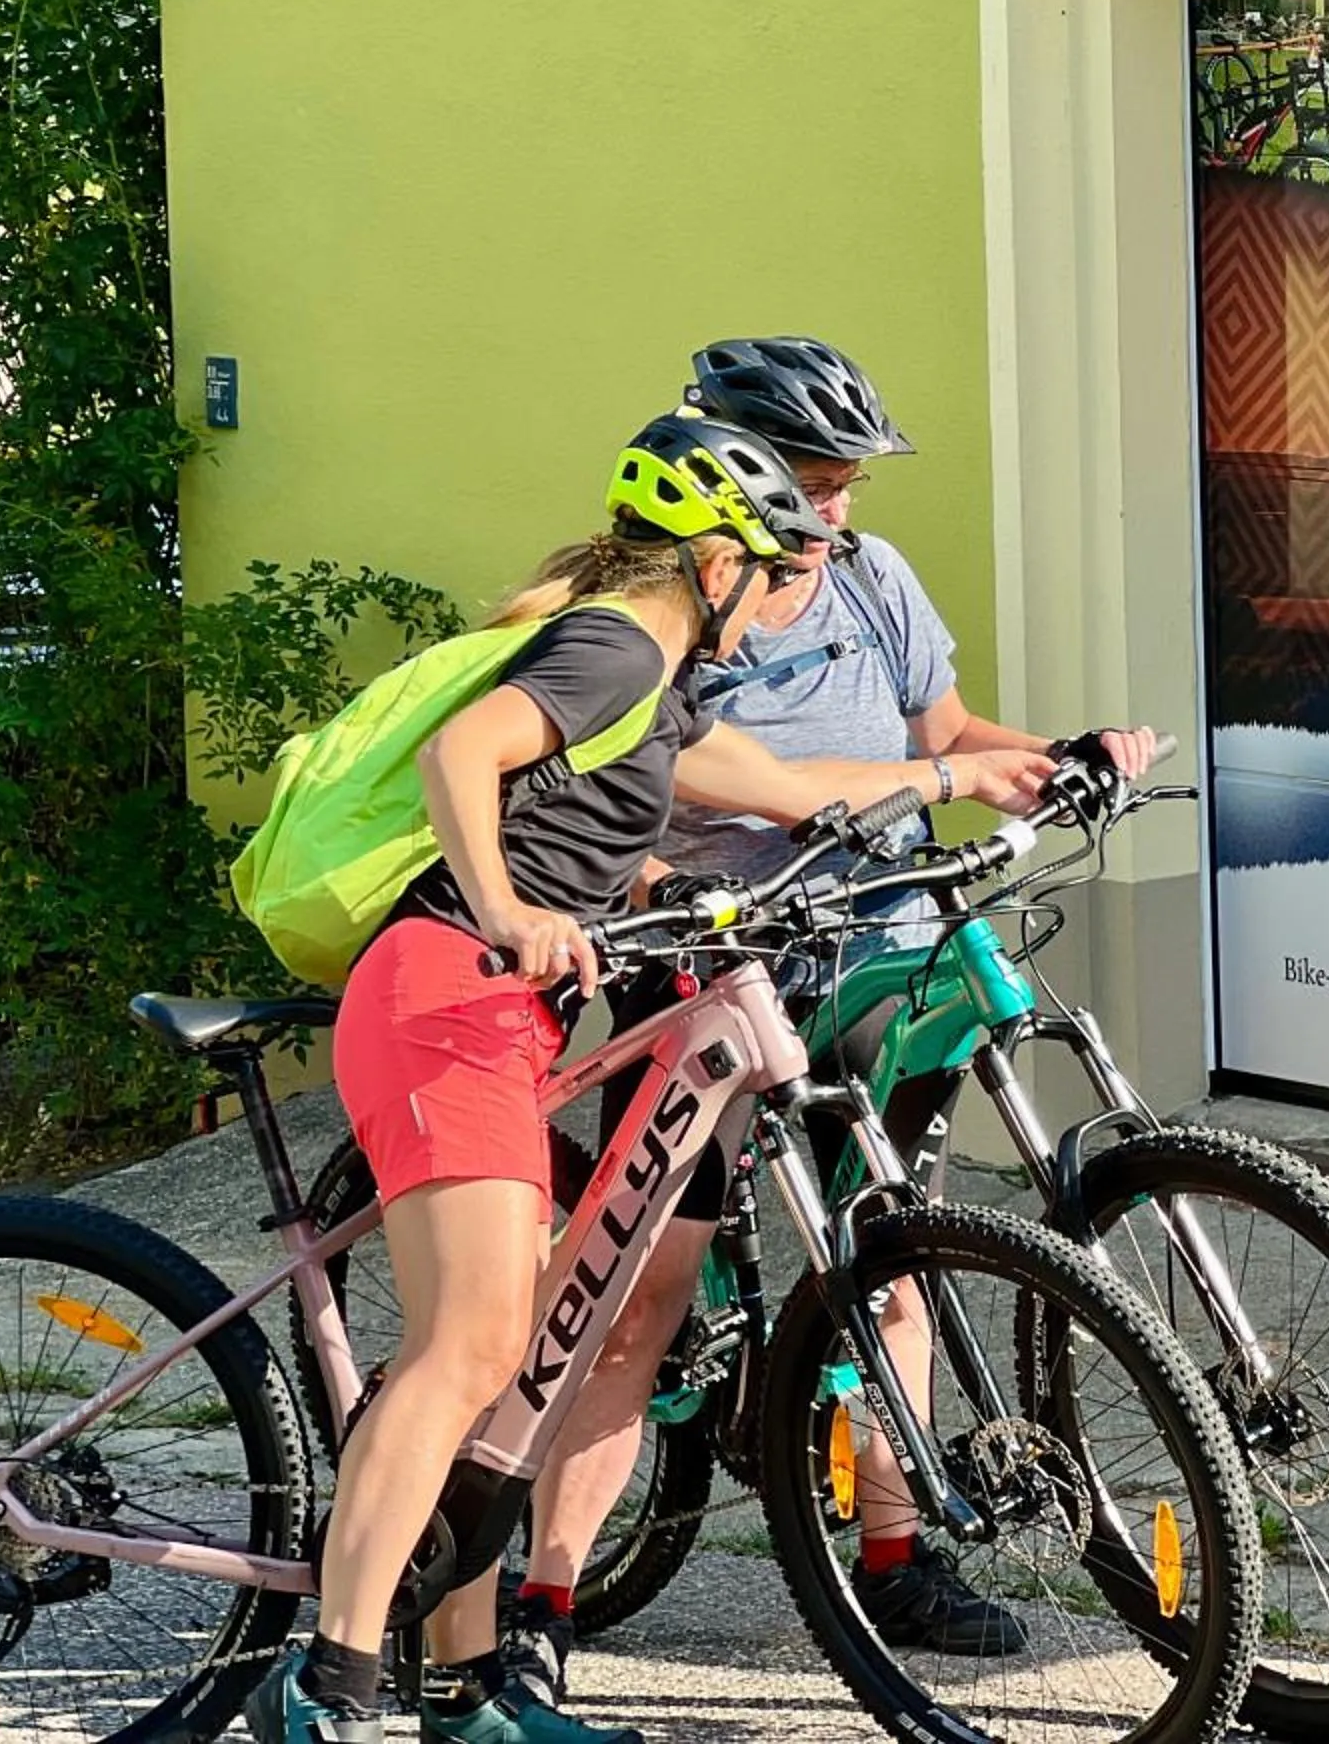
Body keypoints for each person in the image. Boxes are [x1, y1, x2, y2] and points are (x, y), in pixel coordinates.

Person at [248, 410, 1060, 1744]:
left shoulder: (663, 686)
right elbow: (466, 755)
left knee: (512, 1357)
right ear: (712, 557)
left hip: (495, 1015)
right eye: (778, 560)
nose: (793, 587)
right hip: (445, 994)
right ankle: (325, 1684)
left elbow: (791, 785)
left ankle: (468, 1692)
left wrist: (966, 774)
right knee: (464, 1351)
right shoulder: (615, 643)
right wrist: (510, 908)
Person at [522, 335, 1154, 1678]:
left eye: (849, 480)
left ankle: (893, 1551)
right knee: (645, 1302)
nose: (838, 507)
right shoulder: (666, 603)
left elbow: (947, 739)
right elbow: (629, 773)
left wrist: (1051, 758)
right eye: (816, 476)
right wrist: (658, 877)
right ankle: (542, 1605)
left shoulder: (869, 578)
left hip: (873, 951)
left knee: (892, 1258)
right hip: (708, 966)